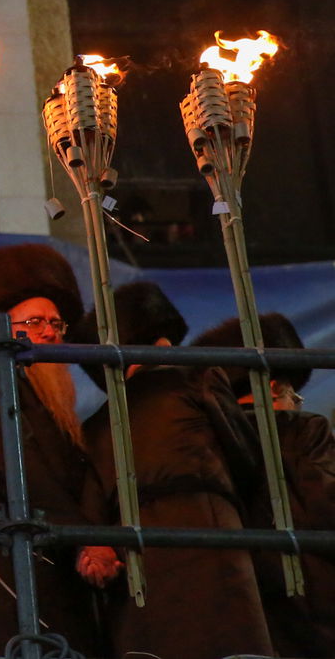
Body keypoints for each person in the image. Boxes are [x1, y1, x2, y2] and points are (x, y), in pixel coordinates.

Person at [82, 282, 272, 659]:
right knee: (228, 642)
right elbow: (246, 452)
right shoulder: (197, 377)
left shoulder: (98, 424)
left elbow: (92, 502)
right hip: (208, 529)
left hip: (139, 549)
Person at [0, 243, 104, 656]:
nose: (49, 332)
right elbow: (11, 465)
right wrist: (84, 537)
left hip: (48, 549)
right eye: (34, 322)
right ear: (2, 330)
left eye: (56, 324)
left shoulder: (54, 405)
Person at [194, 313, 333, 657]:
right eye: (294, 397)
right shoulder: (301, 429)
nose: (296, 406)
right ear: (273, 387)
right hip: (308, 594)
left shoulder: (203, 437)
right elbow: (327, 501)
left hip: (233, 600)